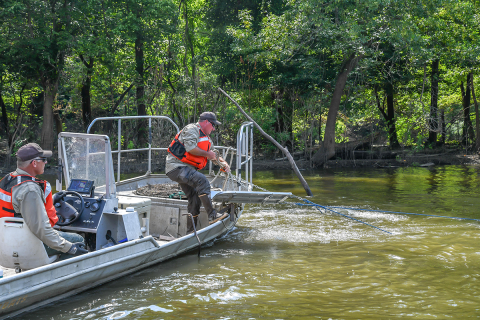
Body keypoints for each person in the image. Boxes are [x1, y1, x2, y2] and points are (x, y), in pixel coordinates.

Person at [0, 143, 87, 260]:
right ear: (34, 163)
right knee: (77, 240)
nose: (46, 162)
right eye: (43, 159)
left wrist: (50, 200)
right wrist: (71, 248)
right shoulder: (30, 189)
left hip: (7, 240)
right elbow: (42, 230)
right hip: (26, 243)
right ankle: (59, 276)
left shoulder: (7, 180)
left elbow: (16, 207)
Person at [166, 112, 230, 230]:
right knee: (202, 181)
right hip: (176, 167)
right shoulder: (192, 129)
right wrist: (208, 154)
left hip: (185, 170)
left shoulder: (206, 138)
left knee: (195, 198)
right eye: (213, 125)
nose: (214, 128)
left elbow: (213, 154)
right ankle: (213, 215)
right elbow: (190, 149)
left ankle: (191, 231)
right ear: (206, 122)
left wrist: (223, 163)